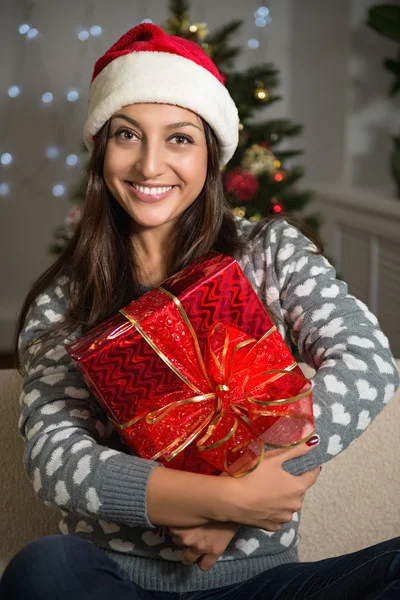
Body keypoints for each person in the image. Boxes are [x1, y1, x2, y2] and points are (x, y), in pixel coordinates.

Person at [1, 22, 399, 600]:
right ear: (100, 150)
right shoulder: (65, 297)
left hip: (260, 588)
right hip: (115, 585)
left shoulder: (271, 254)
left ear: (211, 153)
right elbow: (56, 458)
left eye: (180, 138)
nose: (150, 165)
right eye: (128, 135)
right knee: (47, 567)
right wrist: (224, 500)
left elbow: (369, 362)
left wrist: (255, 491)